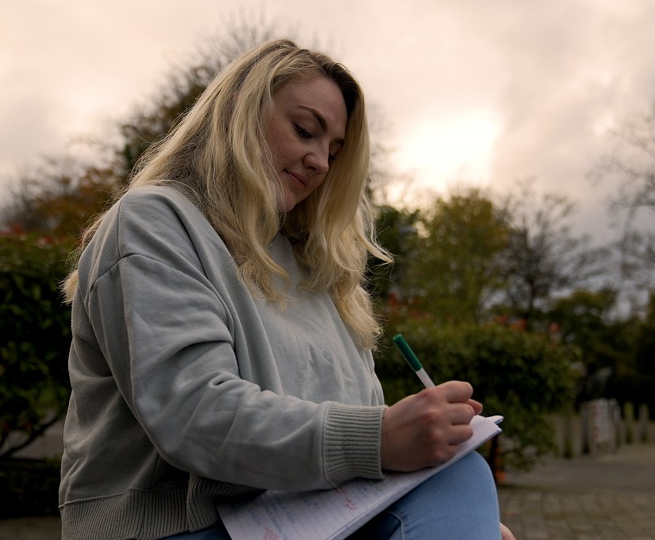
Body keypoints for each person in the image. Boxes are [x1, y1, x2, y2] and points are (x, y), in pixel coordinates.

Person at [58, 39, 515, 540]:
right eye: (305, 130)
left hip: (312, 517)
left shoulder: (318, 267)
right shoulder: (154, 222)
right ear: (238, 113)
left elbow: (350, 427)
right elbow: (195, 416)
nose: (320, 161)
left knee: (459, 472)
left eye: (334, 151)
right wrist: (381, 438)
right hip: (185, 524)